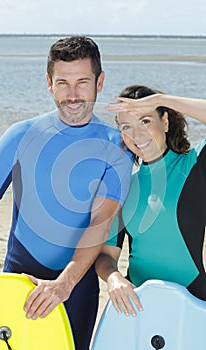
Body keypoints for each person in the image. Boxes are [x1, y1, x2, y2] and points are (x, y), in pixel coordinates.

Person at [0, 36, 133, 349]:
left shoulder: (117, 146)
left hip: (76, 288)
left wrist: (64, 284)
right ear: (49, 83)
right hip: (17, 279)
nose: (72, 95)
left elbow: (99, 222)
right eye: (63, 83)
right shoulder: (21, 135)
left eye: (82, 82)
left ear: (99, 82)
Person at [95, 84, 206, 317]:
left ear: (165, 122)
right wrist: (114, 278)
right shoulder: (123, 186)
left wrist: (163, 99)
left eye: (145, 121)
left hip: (194, 300)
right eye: (127, 126)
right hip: (137, 303)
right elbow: (106, 256)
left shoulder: (195, 166)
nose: (137, 135)